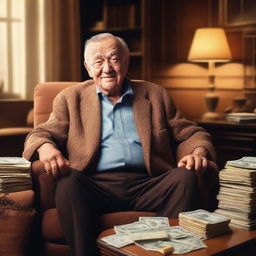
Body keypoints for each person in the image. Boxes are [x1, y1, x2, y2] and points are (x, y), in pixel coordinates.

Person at [23, 33, 217, 256]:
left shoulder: (155, 95)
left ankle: (163, 252)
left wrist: (198, 151)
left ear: (126, 63)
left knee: (185, 177)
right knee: (67, 181)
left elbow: (191, 133)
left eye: (114, 59)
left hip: (149, 184)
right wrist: (46, 147)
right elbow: (40, 134)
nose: (107, 68)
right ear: (87, 67)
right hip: (94, 185)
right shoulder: (69, 98)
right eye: (98, 61)